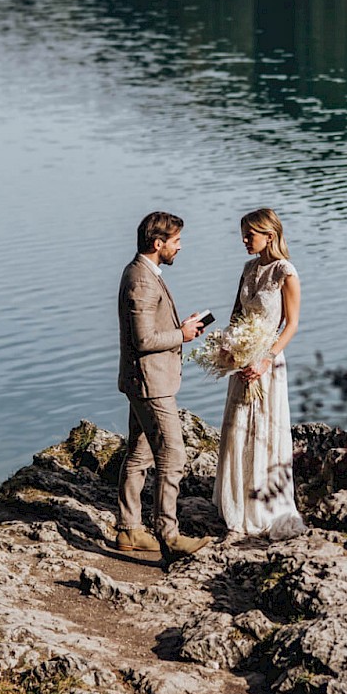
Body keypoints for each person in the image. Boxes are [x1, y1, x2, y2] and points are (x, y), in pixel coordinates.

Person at [116, 211, 211, 566]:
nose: (180, 247)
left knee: (139, 455)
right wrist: (182, 335)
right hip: (150, 383)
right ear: (158, 244)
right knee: (173, 456)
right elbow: (143, 339)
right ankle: (168, 536)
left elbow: (148, 328)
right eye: (176, 242)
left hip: (144, 380)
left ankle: (129, 529)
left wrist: (179, 326)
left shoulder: (143, 272)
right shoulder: (141, 279)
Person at [213, 208, 303, 536]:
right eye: (243, 234)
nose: (244, 240)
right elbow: (236, 316)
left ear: (269, 235)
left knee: (265, 431)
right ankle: (237, 502)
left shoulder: (285, 271)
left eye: (250, 234)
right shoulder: (248, 268)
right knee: (238, 427)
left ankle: (264, 506)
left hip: (268, 361)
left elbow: (291, 324)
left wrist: (264, 358)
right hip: (243, 360)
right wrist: (231, 350)